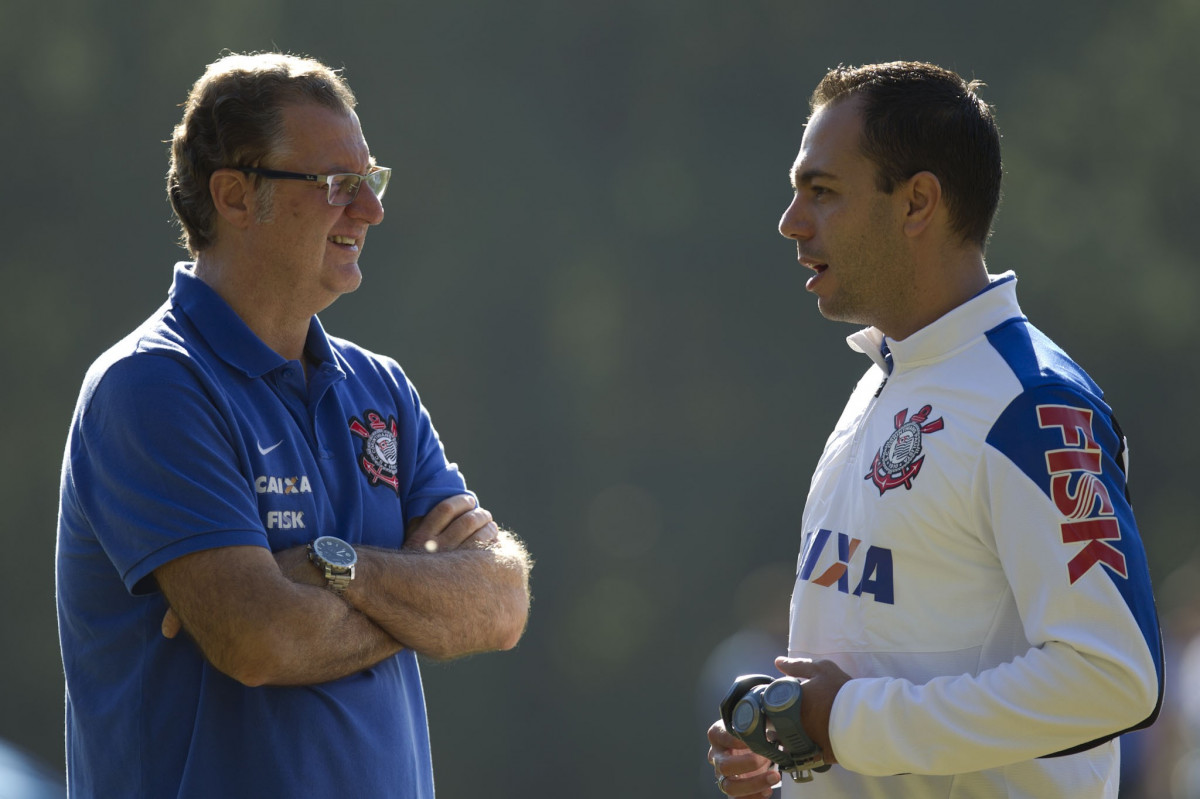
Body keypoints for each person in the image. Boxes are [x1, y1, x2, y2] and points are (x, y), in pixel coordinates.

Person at [56, 52, 532, 799]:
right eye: (339, 187)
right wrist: (423, 601)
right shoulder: (148, 384)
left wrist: (328, 566)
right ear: (236, 196)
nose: (370, 211)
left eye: (370, 182)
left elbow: (503, 604)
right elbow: (259, 637)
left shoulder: (382, 388)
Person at [706, 61, 1163, 798]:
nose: (791, 221)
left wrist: (848, 721)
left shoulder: (1035, 402)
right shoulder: (882, 378)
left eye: (821, 192)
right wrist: (787, 743)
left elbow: (1113, 675)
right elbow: (877, 675)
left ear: (918, 201)